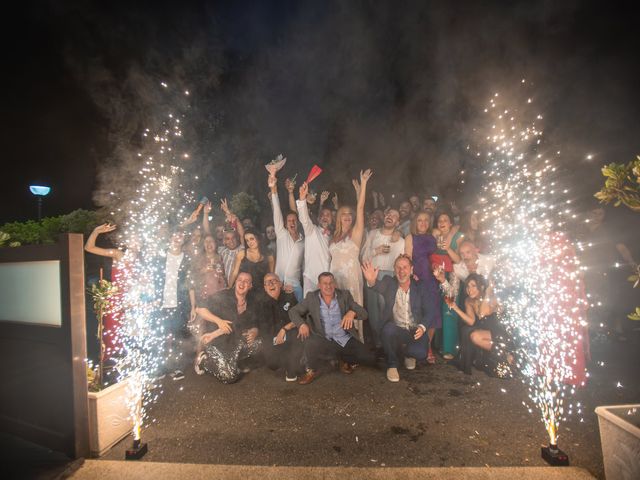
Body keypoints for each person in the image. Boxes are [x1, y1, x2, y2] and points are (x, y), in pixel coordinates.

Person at [288, 272, 374, 385]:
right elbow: (293, 312)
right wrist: (302, 324)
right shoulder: (311, 297)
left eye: (331, 283)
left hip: (343, 339)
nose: (328, 286)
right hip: (323, 339)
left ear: (335, 284)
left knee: (369, 358)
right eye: (325, 283)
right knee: (311, 343)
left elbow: (364, 314)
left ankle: (343, 360)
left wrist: (352, 312)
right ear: (319, 285)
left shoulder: (344, 295)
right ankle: (311, 371)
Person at [361, 255, 437, 382]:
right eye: (398, 268)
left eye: (405, 267)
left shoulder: (421, 287)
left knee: (420, 353)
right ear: (394, 270)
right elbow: (377, 286)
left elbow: (430, 311)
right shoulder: (389, 282)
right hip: (397, 330)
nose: (402, 271)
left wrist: (423, 327)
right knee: (388, 329)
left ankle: (407, 354)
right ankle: (392, 365)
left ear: (411, 269)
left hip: (415, 331)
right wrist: (371, 281)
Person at [84, 223, 137, 368]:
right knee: (112, 336)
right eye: (133, 238)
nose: (136, 241)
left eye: (138, 238)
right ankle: (108, 369)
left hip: (133, 303)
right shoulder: (118, 254)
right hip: (116, 301)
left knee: (132, 337)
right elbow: (89, 248)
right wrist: (96, 231)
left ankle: (127, 368)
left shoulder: (142, 260)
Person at [329, 169, 372, 341]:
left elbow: (360, 208)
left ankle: (354, 344)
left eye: (349, 214)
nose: (347, 216)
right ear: (338, 217)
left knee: (351, 309)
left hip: (351, 276)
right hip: (335, 277)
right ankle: (338, 344)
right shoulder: (334, 236)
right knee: (335, 309)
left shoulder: (356, 234)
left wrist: (363, 184)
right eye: (343, 214)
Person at [193, 272, 260, 383]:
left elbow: (255, 324)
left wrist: (254, 332)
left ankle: (234, 362)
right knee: (229, 377)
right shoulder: (223, 296)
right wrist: (218, 321)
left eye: (246, 281)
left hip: (232, 342)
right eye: (240, 280)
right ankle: (204, 361)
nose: (242, 283)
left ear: (250, 286)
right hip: (215, 341)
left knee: (258, 343)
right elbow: (199, 309)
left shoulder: (251, 302)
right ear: (235, 282)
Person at [446, 273, 511, 377]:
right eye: (467, 286)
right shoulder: (469, 301)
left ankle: (506, 353)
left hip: (500, 332)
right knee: (466, 330)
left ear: (481, 287)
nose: (469, 290)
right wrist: (455, 308)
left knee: (474, 335)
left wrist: (488, 292)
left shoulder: (492, 297)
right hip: (486, 332)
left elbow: (481, 313)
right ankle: (466, 364)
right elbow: (471, 321)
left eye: (473, 286)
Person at [361, 208, 405, 349]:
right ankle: (377, 342)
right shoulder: (372, 234)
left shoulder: (401, 240)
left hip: (391, 276)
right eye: (388, 214)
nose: (389, 216)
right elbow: (363, 258)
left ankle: (388, 342)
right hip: (373, 274)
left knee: (387, 310)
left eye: (394, 215)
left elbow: (403, 263)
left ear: (398, 222)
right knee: (373, 311)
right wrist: (376, 251)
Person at [404, 211, 442, 364]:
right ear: (415, 222)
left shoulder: (434, 236)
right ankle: (416, 344)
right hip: (418, 278)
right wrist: (411, 275)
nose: (423, 223)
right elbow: (407, 257)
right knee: (418, 311)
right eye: (420, 220)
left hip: (433, 279)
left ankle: (428, 346)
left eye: (426, 220)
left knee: (433, 311)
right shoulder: (410, 237)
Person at [157, 229, 192, 381]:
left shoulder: (187, 259)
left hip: (180, 304)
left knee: (178, 336)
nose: (178, 237)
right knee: (161, 336)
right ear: (170, 236)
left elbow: (190, 284)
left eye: (181, 235)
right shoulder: (161, 256)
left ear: (184, 239)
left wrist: (193, 306)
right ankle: (161, 368)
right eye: (175, 234)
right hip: (161, 303)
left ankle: (176, 367)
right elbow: (154, 278)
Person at [258, 273, 304, 381]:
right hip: (273, 340)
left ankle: (292, 368)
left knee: (297, 335)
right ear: (265, 288)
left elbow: (299, 317)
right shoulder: (261, 304)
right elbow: (265, 332)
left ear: (280, 284)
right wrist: (278, 338)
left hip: (291, 336)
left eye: (274, 280)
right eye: (267, 282)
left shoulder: (289, 296)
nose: (271, 284)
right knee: (272, 364)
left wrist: (284, 330)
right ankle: (291, 362)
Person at [431, 210, 462, 361]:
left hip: (451, 277)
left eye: (446, 219)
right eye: (440, 220)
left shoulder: (458, 236)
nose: (442, 222)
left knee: (449, 309)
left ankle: (450, 349)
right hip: (436, 276)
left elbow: (458, 259)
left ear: (451, 223)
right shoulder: (435, 235)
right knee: (437, 308)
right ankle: (439, 344)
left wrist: (448, 248)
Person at [268, 173, 305, 301]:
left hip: (296, 287)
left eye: (294, 220)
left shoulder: (304, 241)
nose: (292, 223)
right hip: (279, 285)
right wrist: (273, 188)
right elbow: (277, 210)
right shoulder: (281, 234)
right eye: (289, 221)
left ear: (298, 222)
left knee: (299, 319)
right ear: (285, 224)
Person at [297, 181, 333, 296]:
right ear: (318, 218)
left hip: (328, 282)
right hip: (311, 279)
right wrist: (302, 199)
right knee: (310, 312)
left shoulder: (334, 237)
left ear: (332, 219)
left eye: (328, 215)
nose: (324, 217)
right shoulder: (311, 230)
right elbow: (304, 219)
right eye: (322, 215)